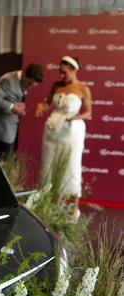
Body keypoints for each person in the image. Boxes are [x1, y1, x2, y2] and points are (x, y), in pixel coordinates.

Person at [35, 56, 91, 220]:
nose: (61, 75)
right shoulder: (56, 86)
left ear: (74, 70)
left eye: (64, 72)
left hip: (71, 132)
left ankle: (73, 208)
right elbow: (47, 104)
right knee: (50, 166)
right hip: (52, 131)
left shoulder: (82, 88)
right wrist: (41, 106)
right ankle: (53, 205)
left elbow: (88, 112)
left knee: (71, 167)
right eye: (59, 72)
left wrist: (76, 117)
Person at [0, 63, 44, 159]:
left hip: (11, 130)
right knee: (0, 167)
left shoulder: (23, 81)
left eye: (32, 85)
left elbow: (14, 97)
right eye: (28, 83)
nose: (29, 87)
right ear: (24, 74)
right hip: (0, 132)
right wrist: (12, 107)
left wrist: (20, 106)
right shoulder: (8, 80)